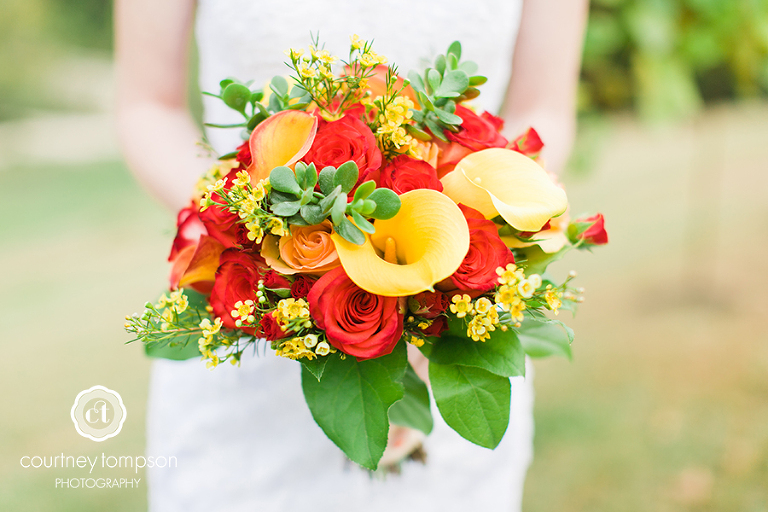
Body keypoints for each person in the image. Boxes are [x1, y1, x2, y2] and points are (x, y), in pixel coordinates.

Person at [115, 1, 588, 510]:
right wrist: (251, 230)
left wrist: (436, 299)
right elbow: (149, 106)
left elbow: (544, 111)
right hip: (248, 340)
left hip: (446, 341)